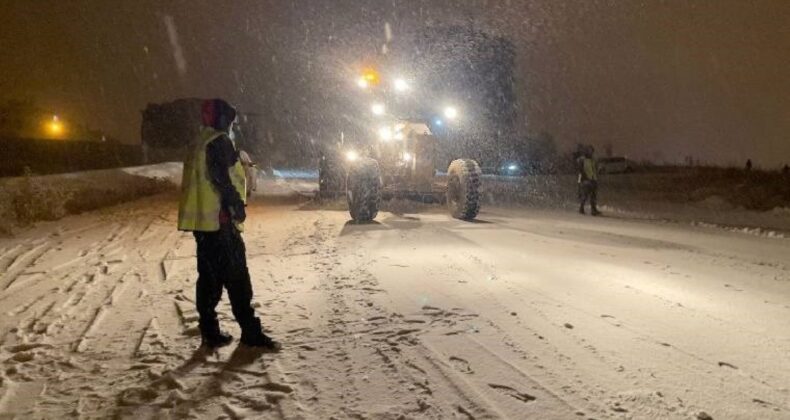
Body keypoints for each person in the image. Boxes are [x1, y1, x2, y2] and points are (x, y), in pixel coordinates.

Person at [177, 98, 280, 351]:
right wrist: (235, 205)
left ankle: (209, 331)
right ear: (223, 120)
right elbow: (221, 178)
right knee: (238, 280)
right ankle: (250, 332)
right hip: (221, 223)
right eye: (231, 120)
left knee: (209, 279)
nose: (232, 125)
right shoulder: (219, 142)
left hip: (203, 225)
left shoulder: (198, 142)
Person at [577, 144, 600, 216]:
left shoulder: (593, 160)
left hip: (593, 179)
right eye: (590, 150)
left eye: (592, 151)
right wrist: (579, 181)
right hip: (586, 180)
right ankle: (581, 208)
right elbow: (580, 171)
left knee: (593, 196)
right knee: (585, 195)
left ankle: (593, 210)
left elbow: (595, 169)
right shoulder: (582, 160)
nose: (591, 152)